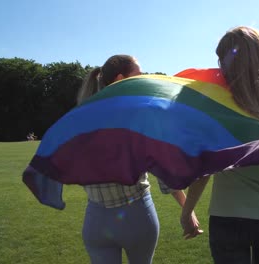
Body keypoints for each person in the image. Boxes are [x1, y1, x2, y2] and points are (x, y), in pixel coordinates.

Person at [180, 26, 259, 264]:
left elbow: (206, 167)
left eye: (222, 59)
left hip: (227, 216)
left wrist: (186, 211)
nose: (220, 66)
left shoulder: (216, 103)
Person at [78, 55, 201, 264]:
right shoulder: (142, 117)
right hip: (137, 216)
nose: (143, 78)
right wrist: (186, 210)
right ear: (120, 79)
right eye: (139, 74)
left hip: (96, 219)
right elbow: (163, 171)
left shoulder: (82, 118)